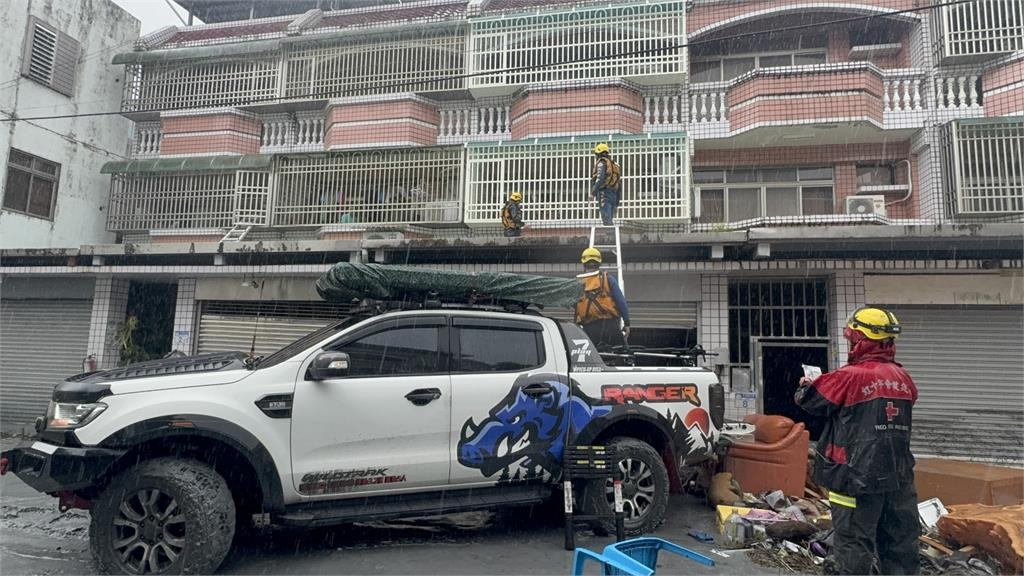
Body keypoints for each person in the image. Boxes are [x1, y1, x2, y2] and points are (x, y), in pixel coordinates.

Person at [794, 306, 919, 575]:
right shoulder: (903, 377)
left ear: (860, 339)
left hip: (854, 477)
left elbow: (810, 401)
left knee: (853, 544)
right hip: (898, 478)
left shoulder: (849, 376)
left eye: (852, 338)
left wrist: (806, 385)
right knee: (899, 545)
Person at [574, 247, 630, 349]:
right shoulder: (608, 279)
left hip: (589, 329)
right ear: (599, 263)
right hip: (610, 326)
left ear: (583, 263)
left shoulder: (577, 283)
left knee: (592, 360)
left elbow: (575, 307)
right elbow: (621, 302)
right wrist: (627, 323)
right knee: (622, 356)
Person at [591, 142, 622, 226]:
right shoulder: (615, 165)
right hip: (614, 194)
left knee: (606, 220)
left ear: (598, 154)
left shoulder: (602, 163)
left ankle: (610, 238)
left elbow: (599, 179)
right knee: (609, 220)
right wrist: (617, 203)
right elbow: (619, 185)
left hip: (604, 194)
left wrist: (593, 193)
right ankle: (612, 237)